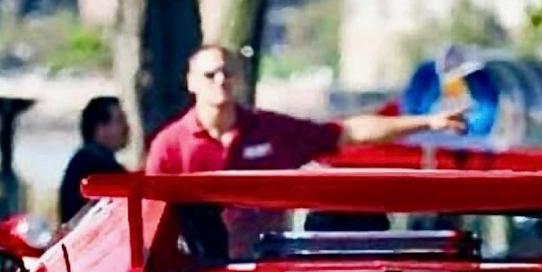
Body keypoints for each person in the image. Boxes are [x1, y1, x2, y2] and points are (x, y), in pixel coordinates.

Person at [145, 44, 468, 175]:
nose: (220, 80)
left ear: (240, 78)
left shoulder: (272, 130)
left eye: (227, 72)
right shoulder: (169, 146)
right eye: (209, 74)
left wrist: (428, 121)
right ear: (190, 82)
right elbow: (151, 219)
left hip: (265, 267)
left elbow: (350, 132)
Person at [58, 96, 129, 223]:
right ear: (101, 128)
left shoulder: (82, 159)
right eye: (120, 120)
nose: (126, 127)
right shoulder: (98, 166)